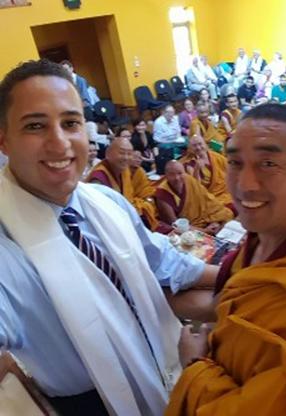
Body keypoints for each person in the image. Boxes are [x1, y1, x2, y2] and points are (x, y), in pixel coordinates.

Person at [0, 59, 216, 416]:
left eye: (70, 123)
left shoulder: (106, 202)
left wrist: (238, 278)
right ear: (4, 140)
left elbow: (162, 261)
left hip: (161, 365)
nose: (60, 143)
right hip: (92, 404)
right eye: (35, 126)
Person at [166, 103, 286, 415]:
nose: (244, 185)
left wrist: (193, 365)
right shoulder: (258, 239)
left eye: (269, 163)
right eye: (235, 162)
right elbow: (226, 306)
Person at [87, 137, 159, 231]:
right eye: (121, 153)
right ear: (108, 154)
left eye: (129, 154)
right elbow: (100, 215)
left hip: (126, 220)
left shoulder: (125, 171)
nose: (126, 157)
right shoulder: (98, 179)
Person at [155, 160, 233, 234]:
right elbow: (175, 224)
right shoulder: (162, 193)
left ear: (184, 172)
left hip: (205, 219)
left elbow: (208, 200)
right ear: (165, 175)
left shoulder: (189, 180)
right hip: (188, 228)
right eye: (171, 174)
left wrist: (215, 221)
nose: (177, 178)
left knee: (227, 213)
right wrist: (205, 230)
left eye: (180, 173)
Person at [179, 134, 234, 210]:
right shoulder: (190, 163)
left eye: (200, 144)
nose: (198, 148)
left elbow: (231, 169)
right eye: (194, 146)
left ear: (205, 144)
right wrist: (197, 169)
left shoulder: (215, 156)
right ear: (190, 148)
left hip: (225, 190)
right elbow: (196, 187)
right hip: (209, 195)